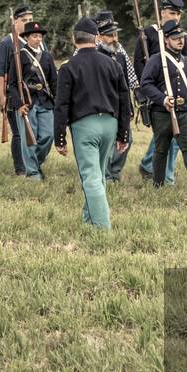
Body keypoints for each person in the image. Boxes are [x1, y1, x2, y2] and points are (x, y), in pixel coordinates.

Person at [53, 17, 131, 230]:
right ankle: (89, 219)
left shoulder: (68, 67)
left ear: (73, 40)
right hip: (110, 124)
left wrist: (59, 138)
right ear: (96, 38)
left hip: (84, 125)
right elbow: (125, 100)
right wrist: (123, 133)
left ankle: (102, 226)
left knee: (90, 176)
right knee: (99, 173)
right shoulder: (113, 63)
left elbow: (61, 105)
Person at [140, 20, 187, 189]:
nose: (180, 41)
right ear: (166, 39)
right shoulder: (156, 60)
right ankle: (158, 184)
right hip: (161, 112)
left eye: (182, 37)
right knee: (161, 149)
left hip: (184, 111)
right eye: (176, 37)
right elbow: (146, 84)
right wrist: (162, 99)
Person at [132, 0, 187, 183]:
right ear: (162, 12)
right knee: (166, 135)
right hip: (156, 94)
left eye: (178, 14)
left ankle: (153, 167)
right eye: (172, 13)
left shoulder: (179, 34)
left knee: (171, 134)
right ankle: (164, 176)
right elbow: (138, 65)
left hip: (176, 92)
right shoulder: (149, 33)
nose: (175, 17)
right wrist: (147, 92)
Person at [9, 21, 57, 181]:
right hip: (27, 103)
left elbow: (53, 81)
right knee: (29, 139)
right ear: (27, 38)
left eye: (40, 36)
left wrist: (57, 101)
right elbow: (13, 83)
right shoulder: (19, 56)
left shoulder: (47, 57)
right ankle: (33, 173)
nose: (38, 39)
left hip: (45, 100)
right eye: (34, 36)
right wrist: (18, 105)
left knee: (48, 136)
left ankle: (34, 164)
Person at [0, 5, 36, 176]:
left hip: (33, 95)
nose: (28, 23)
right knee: (19, 133)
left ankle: (33, 163)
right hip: (14, 94)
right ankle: (21, 168)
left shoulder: (36, 40)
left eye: (30, 20)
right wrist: (1, 97)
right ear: (15, 22)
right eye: (24, 20)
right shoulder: (6, 43)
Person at [95, 14, 138, 181]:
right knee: (105, 143)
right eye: (110, 35)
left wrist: (129, 107)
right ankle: (105, 175)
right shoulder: (95, 56)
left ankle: (114, 172)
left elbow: (126, 84)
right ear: (99, 37)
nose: (114, 39)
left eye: (115, 35)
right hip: (103, 107)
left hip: (120, 106)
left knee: (127, 139)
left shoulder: (120, 56)